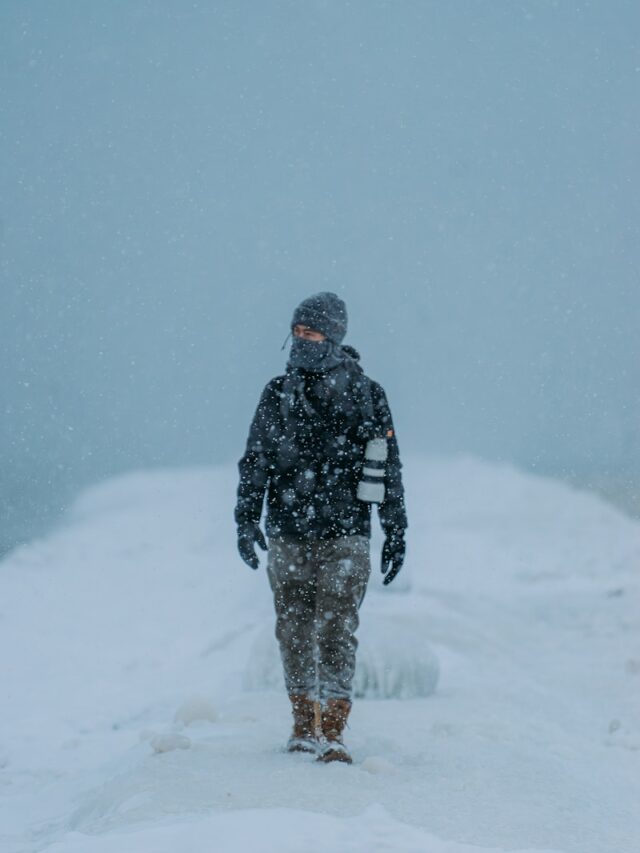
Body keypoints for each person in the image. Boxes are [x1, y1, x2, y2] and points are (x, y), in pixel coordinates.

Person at [234, 293, 407, 764]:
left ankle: (332, 731)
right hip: (288, 532)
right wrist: (246, 518)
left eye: (312, 332)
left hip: (347, 532)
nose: (302, 340)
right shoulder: (276, 393)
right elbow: (256, 461)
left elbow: (388, 468)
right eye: (298, 332)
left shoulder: (367, 392)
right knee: (291, 629)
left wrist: (396, 530)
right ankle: (301, 723)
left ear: (334, 336)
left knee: (336, 628)